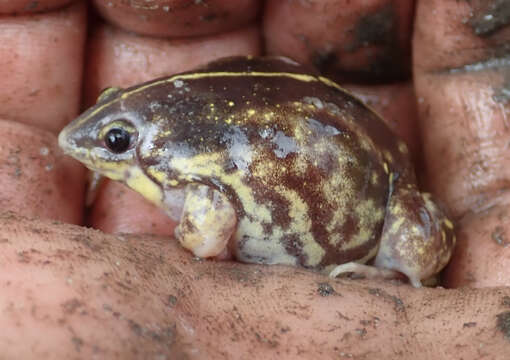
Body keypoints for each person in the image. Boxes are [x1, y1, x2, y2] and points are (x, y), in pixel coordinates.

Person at [0, 0, 509, 358]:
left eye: (116, 141)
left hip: (389, 202)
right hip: (338, 134)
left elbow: (206, 236)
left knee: (415, 247)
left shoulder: (192, 174)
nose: (86, 143)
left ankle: (401, 269)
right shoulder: (183, 152)